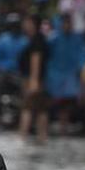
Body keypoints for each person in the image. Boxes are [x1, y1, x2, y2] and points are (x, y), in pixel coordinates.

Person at [46, 16, 85, 134]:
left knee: (68, 104)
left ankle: (63, 127)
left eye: (68, 23)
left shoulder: (77, 39)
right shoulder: (53, 39)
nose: (66, 26)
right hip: (55, 77)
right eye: (64, 23)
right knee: (55, 103)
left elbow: (83, 58)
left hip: (71, 78)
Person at [18, 15, 51, 144]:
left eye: (27, 22)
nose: (24, 25)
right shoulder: (36, 39)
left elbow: (36, 61)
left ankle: (23, 136)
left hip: (34, 79)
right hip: (38, 79)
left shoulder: (37, 41)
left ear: (33, 24)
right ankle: (42, 137)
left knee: (27, 108)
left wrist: (34, 81)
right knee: (41, 109)